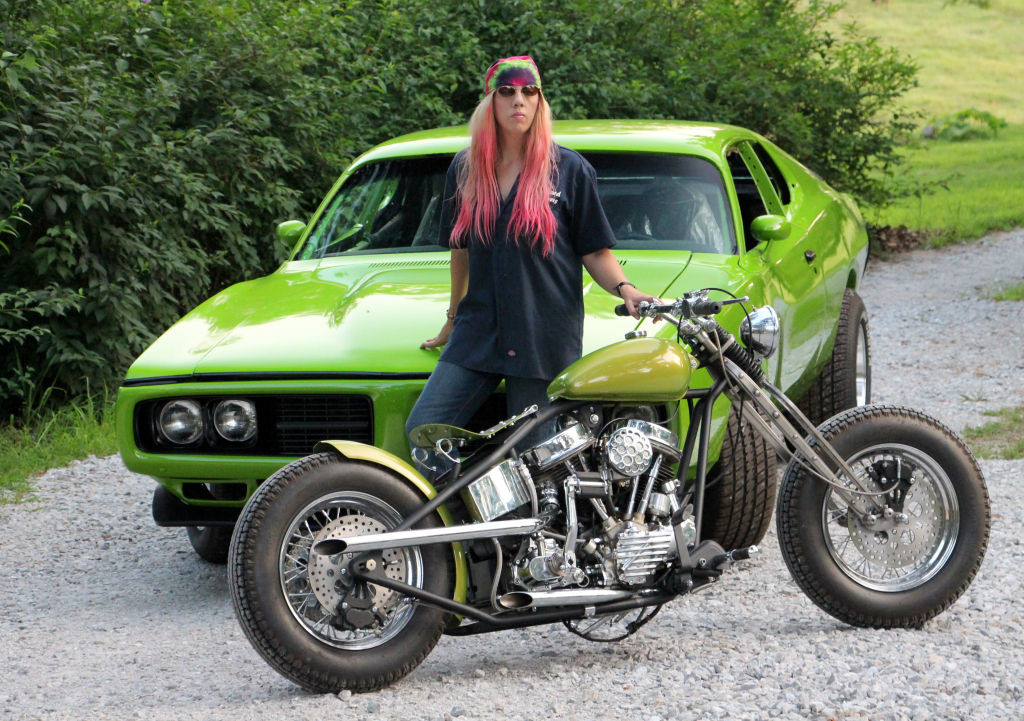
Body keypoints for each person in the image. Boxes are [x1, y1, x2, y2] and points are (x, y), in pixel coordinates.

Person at [405, 56, 658, 476]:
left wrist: (627, 289)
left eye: (528, 92)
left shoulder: (570, 170)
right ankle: (466, 531)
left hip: (542, 334)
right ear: (490, 103)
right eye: (507, 92)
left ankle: (530, 537)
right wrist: (452, 319)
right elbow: (461, 250)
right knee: (423, 434)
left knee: (536, 455)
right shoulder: (466, 170)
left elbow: (594, 251)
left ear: (540, 101)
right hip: (479, 332)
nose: (518, 101)